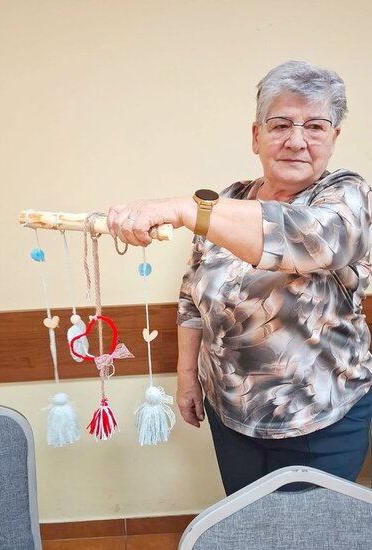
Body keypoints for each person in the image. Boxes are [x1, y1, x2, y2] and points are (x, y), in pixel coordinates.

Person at [107, 60, 372, 494]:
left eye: (315, 126)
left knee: (307, 530)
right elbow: (192, 297)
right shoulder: (230, 199)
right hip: (231, 415)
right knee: (246, 522)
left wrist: (184, 208)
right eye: (280, 125)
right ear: (256, 136)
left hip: (320, 421)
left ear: (334, 137)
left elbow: (303, 237)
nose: (297, 140)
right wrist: (187, 375)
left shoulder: (348, 197)